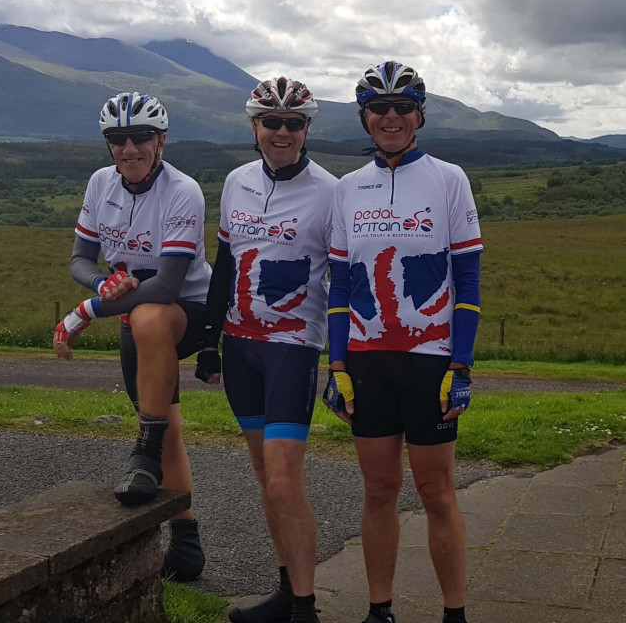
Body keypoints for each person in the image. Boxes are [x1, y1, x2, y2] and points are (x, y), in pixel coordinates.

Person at [324, 62, 482, 623]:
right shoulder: (347, 189)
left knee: (438, 491)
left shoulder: (449, 179)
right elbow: (340, 285)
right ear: (365, 118)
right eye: (378, 108)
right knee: (379, 490)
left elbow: (467, 280)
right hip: (366, 361)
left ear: (419, 116)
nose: (390, 117)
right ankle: (378, 610)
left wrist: (460, 365)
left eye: (402, 107)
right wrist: (335, 364)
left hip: (430, 360)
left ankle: (454, 613)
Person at [196, 77, 337, 623]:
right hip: (240, 344)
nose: (281, 132)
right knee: (263, 472)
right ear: (254, 127)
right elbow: (225, 262)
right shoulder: (236, 181)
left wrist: (343, 360)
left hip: (292, 347)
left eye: (294, 123)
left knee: (283, 477)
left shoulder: (331, 191)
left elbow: (345, 279)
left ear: (306, 130)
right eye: (271, 122)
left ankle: (304, 608)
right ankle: (286, 593)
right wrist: (209, 341)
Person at [53, 92, 211, 582]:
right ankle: (186, 547)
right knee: (167, 428)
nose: (129, 148)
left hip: (184, 312)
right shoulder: (102, 184)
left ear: (160, 141)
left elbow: (164, 285)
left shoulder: (183, 190)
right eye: (117, 139)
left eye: (141, 137)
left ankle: (142, 452)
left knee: (147, 318)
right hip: (130, 313)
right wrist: (101, 283)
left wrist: (86, 310)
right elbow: (81, 258)